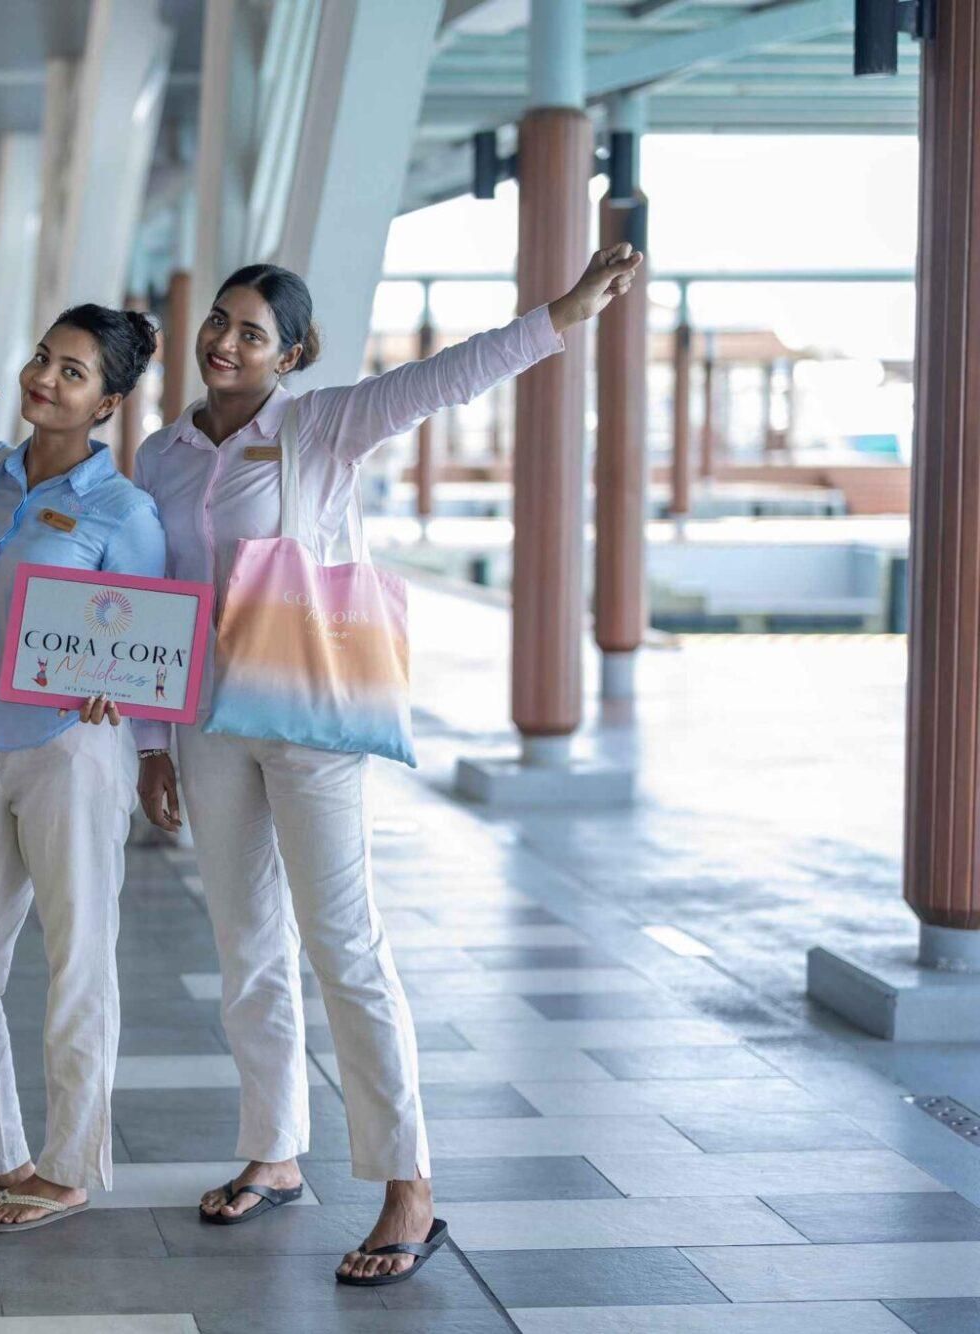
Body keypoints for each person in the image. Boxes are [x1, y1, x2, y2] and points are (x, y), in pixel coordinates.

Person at [132, 243, 644, 1284]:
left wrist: (563, 312)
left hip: (309, 713)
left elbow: (444, 377)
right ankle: (273, 1151)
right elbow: (148, 601)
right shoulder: (162, 453)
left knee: (344, 945)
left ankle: (408, 1184)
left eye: (251, 333)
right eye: (219, 321)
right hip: (206, 723)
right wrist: (152, 744)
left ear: (291, 355)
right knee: (245, 946)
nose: (224, 342)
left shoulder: (320, 425)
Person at [0, 305, 165, 1232]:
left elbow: (150, 645)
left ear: (106, 402)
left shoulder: (123, 511)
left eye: (72, 372)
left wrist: (127, 702)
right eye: (42, 358)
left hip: (71, 751)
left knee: (78, 957)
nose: (45, 379)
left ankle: (68, 1168)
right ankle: (0, 1156)